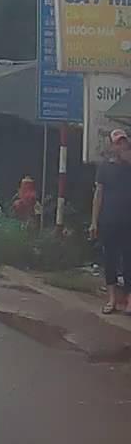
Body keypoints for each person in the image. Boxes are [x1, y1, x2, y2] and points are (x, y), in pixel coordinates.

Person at [91, 128, 131, 314]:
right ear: (112, 146)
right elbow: (98, 195)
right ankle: (112, 299)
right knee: (110, 259)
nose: (121, 146)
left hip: (128, 220)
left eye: (123, 142)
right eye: (117, 143)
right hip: (109, 220)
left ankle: (129, 299)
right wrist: (94, 221)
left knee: (128, 259)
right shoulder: (104, 168)